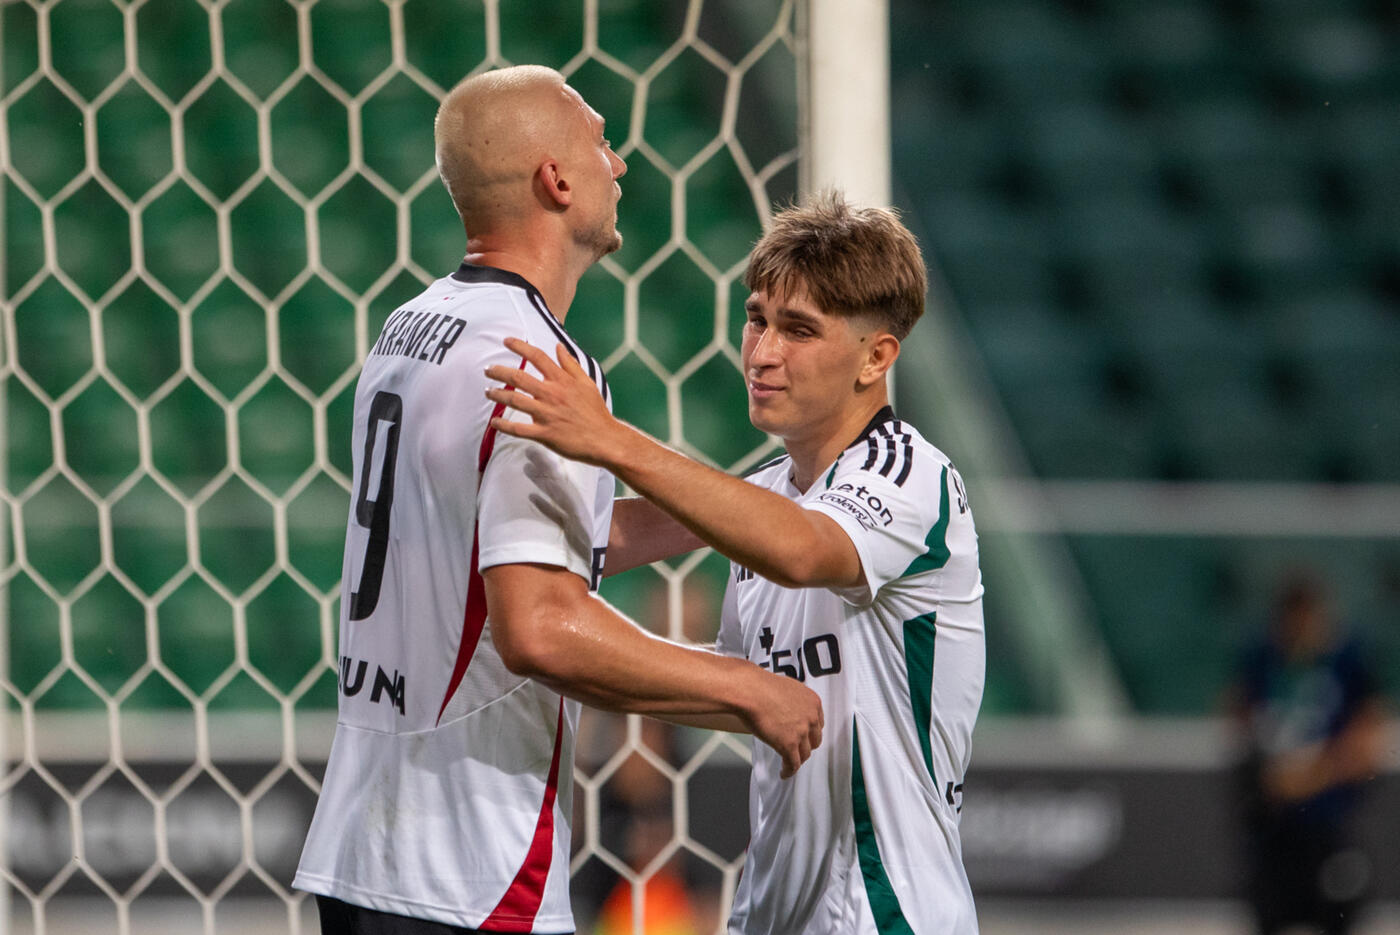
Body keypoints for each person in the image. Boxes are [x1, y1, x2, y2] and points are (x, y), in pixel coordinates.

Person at [292, 65, 823, 935]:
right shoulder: (539, 362)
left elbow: (524, 546)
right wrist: (744, 689)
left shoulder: (410, 329)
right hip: (467, 869)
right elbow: (539, 625)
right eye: (601, 143)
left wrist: (748, 497)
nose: (619, 166)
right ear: (556, 180)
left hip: (362, 848)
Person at [486, 192, 986, 934]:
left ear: (877, 356)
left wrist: (610, 438)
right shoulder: (771, 489)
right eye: (756, 318)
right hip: (772, 914)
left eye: (799, 330)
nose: (762, 353)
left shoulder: (910, 476)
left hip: (887, 915)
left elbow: (802, 550)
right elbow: (611, 545)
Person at [1231, 571, 1387, 935]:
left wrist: (1318, 774)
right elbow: (1239, 714)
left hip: (1329, 818)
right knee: (1269, 909)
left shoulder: (1348, 658)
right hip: (1274, 822)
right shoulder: (1262, 657)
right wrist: (1267, 772)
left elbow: (1369, 738)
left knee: (1337, 909)